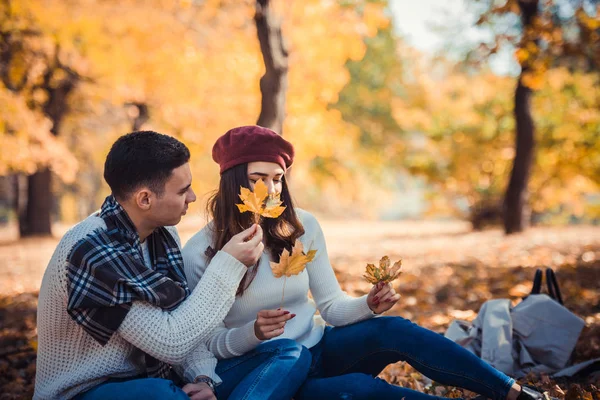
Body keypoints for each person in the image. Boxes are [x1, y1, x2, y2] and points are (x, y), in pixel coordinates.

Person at [182, 125, 555, 400]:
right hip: (267, 372)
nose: (272, 189)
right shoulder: (203, 251)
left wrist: (367, 304)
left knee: (394, 329)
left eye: (278, 179)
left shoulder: (301, 226)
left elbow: (330, 307)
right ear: (233, 182)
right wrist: (254, 334)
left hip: (320, 349)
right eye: (258, 178)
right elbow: (201, 343)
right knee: (361, 391)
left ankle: (514, 394)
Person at [34, 131, 308, 400]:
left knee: (285, 352)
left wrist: (203, 378)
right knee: (162, 394)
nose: (192, 197)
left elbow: (183, 320)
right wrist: (229, 263)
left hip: (156, 379)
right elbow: (170, 343)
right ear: (145, 199)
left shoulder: (161, 235)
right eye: (182, 190)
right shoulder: (91, 252)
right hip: (87, 390)